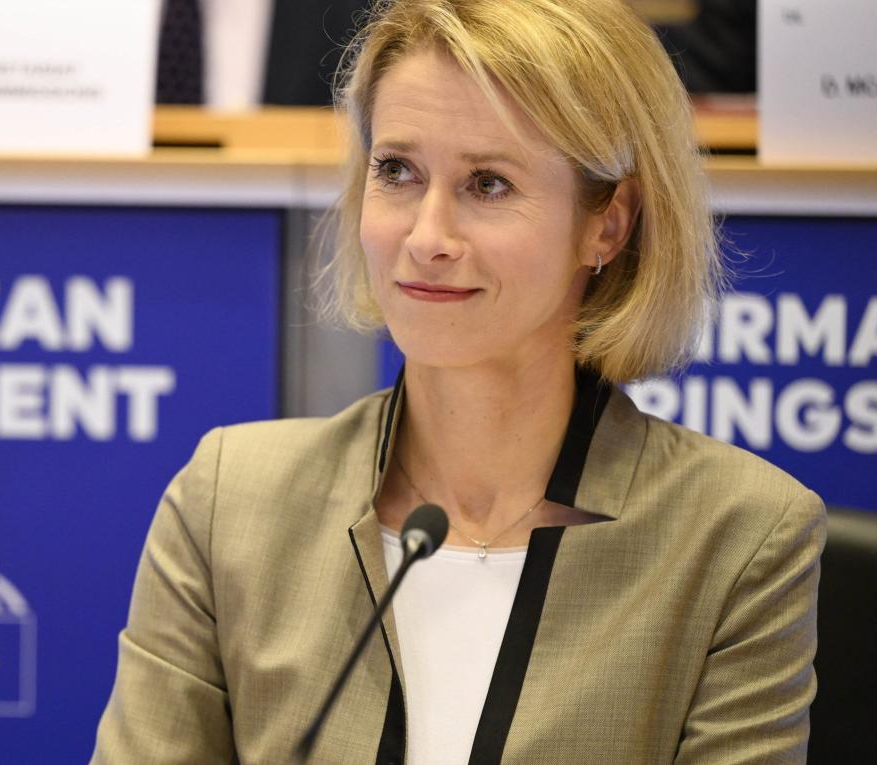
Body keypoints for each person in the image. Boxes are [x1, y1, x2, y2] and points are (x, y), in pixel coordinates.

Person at [93, 0, 824, 762]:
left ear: (607, 223)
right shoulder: (228, 505)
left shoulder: (739, 538)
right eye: (397, 171)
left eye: (488, 184)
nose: (427, 236)